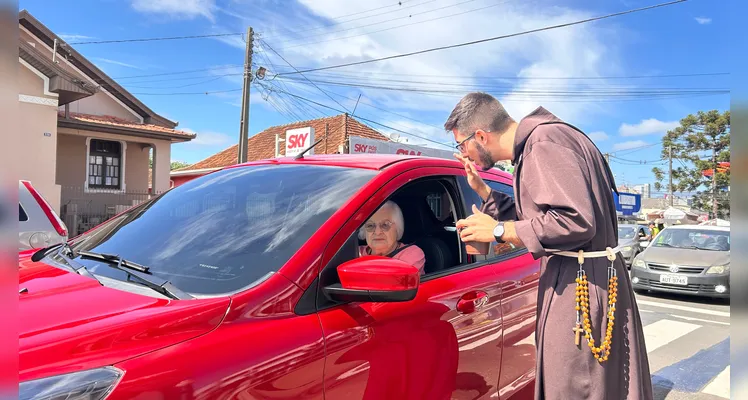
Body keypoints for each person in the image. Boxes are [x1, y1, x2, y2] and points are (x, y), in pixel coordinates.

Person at [445, 92, 653, 400]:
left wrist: (499, 230)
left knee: (576, 385)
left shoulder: (543, 144)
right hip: (583, 274)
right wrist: (484, 191)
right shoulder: (543, 141)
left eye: (461, 144)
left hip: (580, 282)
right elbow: (541, 214)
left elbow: (576, 221)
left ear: (481, 136)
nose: (462, 153)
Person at [359, 200, 426, 274]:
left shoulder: (412, 254)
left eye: (385, 225)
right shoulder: (355, 252)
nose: (377, 232)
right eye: (370, 225)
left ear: (397, 228)